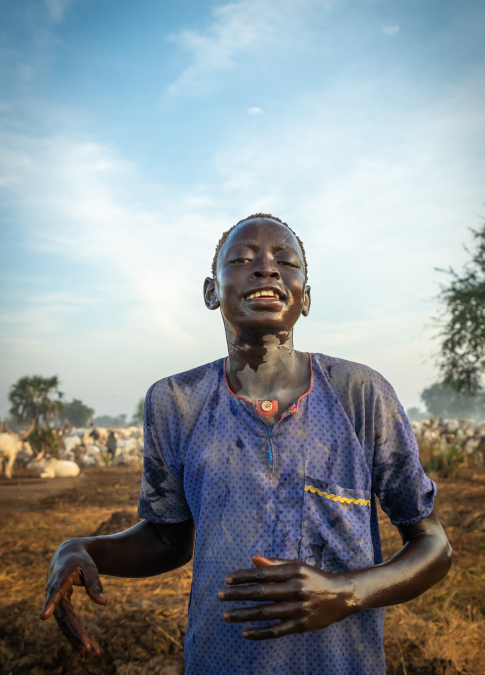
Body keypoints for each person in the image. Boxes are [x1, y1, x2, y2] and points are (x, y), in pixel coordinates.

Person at [41, 214, 452, 674]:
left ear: (306, 298)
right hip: (220, 661)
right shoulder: (176, 402)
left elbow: (433, 545)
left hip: (343, 663)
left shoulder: (359, 392)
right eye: (241, 259)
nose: (266, 268)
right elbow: (167, 540)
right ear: (211, 292)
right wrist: (83, 549)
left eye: (286, 261)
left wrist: (345, 592)